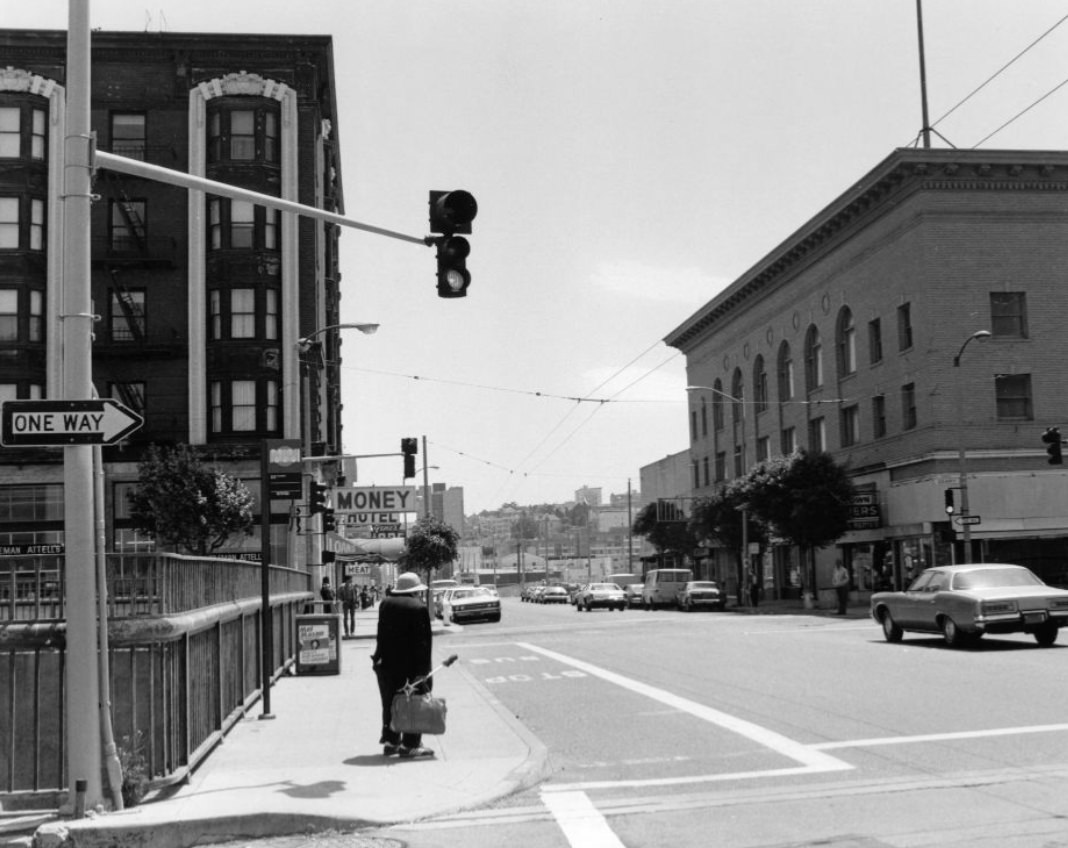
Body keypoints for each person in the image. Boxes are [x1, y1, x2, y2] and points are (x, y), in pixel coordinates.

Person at [371, 572, 434, 758]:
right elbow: (423, 643)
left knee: (390, 703)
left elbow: (381, 635)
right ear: (415, 591)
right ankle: (410, 744)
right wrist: (423, 672)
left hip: (387, 666)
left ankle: (391, 741)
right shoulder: (418, 608)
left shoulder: (385, 604)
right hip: (411, 668)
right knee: (414, 704)